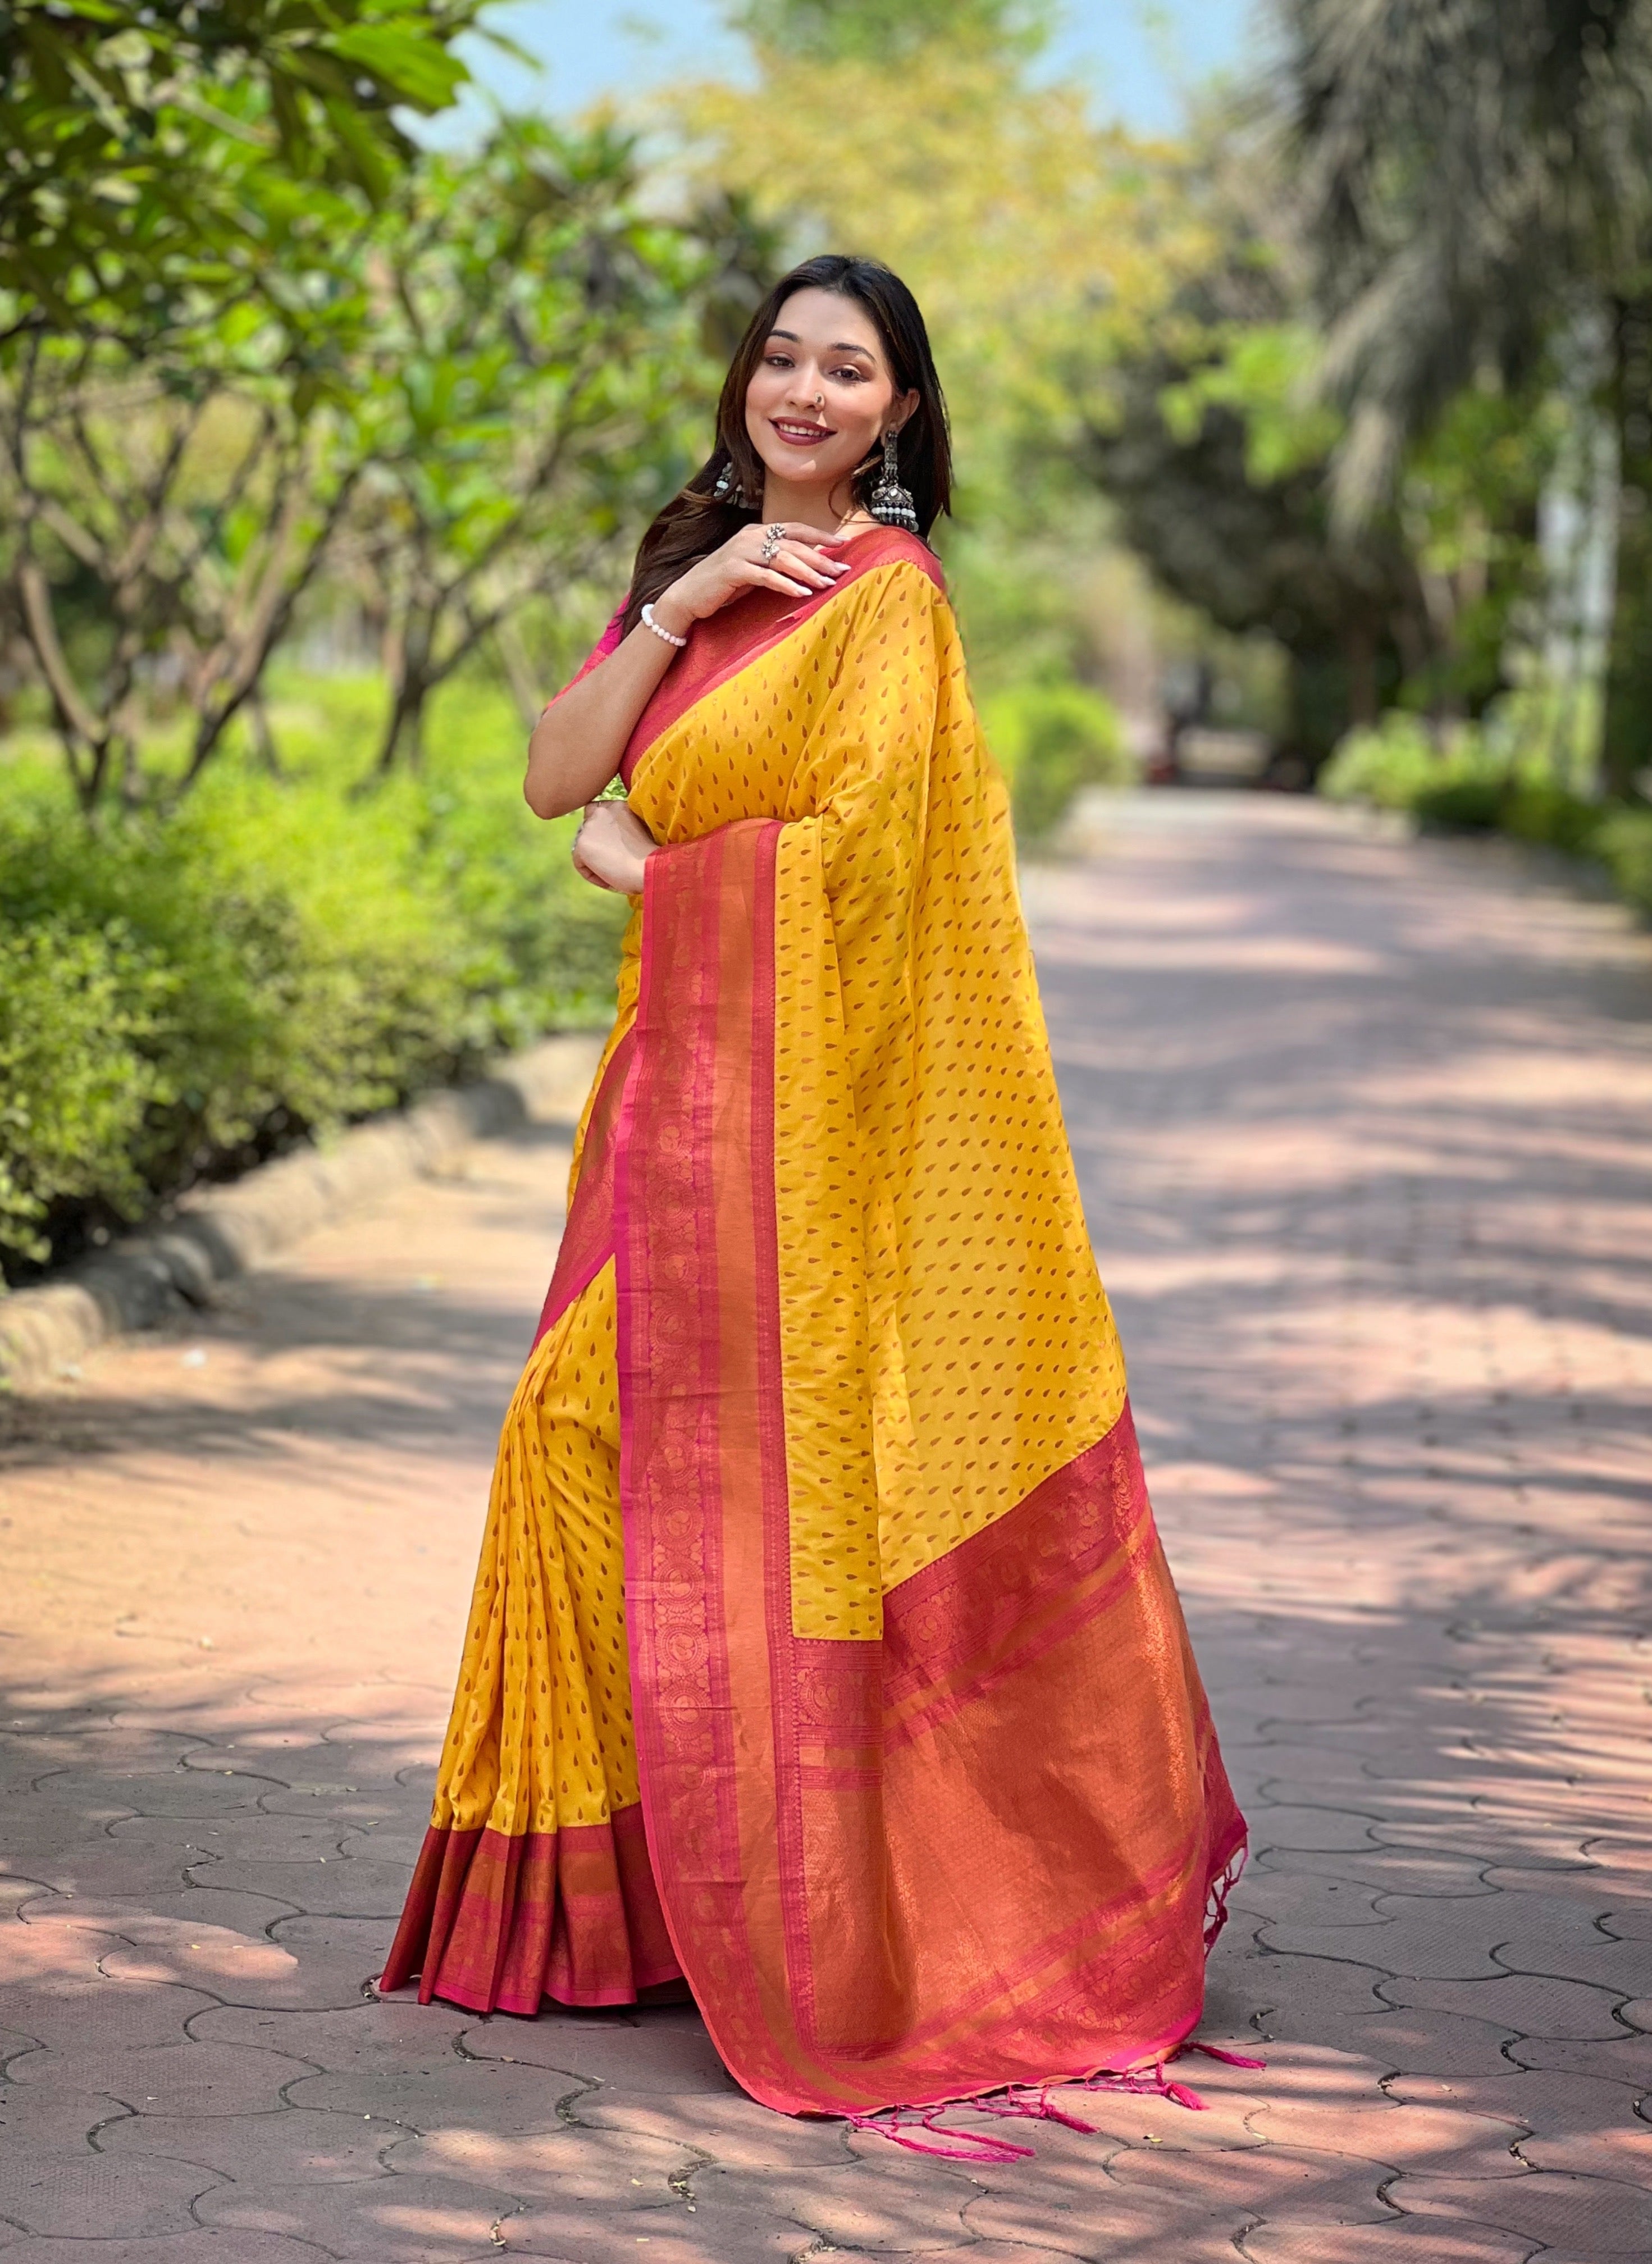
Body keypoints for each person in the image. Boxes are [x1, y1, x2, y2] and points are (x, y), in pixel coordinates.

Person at [380, 253, 1246, 2135]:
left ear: (901, 413)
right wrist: (679, 596)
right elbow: (551, 774)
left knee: (731, 1478)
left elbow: (868, 872)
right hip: (665, 1111)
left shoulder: (891, 603)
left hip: (801, 1135)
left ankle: (812, 1899)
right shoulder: (707, 573)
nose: (802, 390)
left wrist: (650, 879)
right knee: (572, 1450)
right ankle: (616, 1911)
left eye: (847, 370)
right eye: (780, 356)